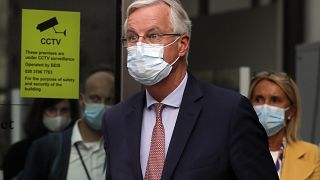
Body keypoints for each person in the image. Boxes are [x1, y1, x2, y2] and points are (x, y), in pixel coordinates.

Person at [102, 0, 278, 179]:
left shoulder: (228, 113)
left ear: (182, 44)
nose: (140, 46)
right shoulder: (116, 120)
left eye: (153, 35)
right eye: (132, 37)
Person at [21, 66, 115, 180]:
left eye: (109, 100)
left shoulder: (121, 147)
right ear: (81, 99)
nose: (102, 105)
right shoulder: (48, 147)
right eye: (95, 98)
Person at [248, 71, 320, 179]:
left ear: (291, 111)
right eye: (258, 99)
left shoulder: (312, 154)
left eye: (275, 100)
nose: (265, 107)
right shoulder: (232, 150)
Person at [2, 98, 80, 180]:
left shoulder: (78, 147)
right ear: (40, 112)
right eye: (52, 110)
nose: (58, 116)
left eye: (64, 110)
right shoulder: (18, 151)